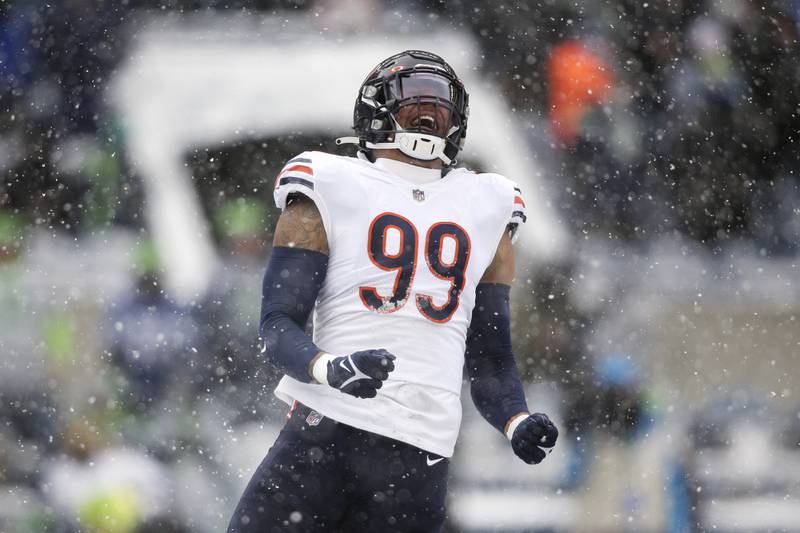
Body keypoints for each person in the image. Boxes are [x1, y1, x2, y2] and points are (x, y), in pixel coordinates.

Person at [227, 50, 559, 533]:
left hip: (418, 449)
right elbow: (277, 325)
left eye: (439, 109)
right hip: (331, 424)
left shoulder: (488, 202)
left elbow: (490, 360)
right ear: (377, 112)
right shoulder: (330, 180)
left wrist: (515, 420)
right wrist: (330, 368)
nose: (426, 118)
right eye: (412, 106)